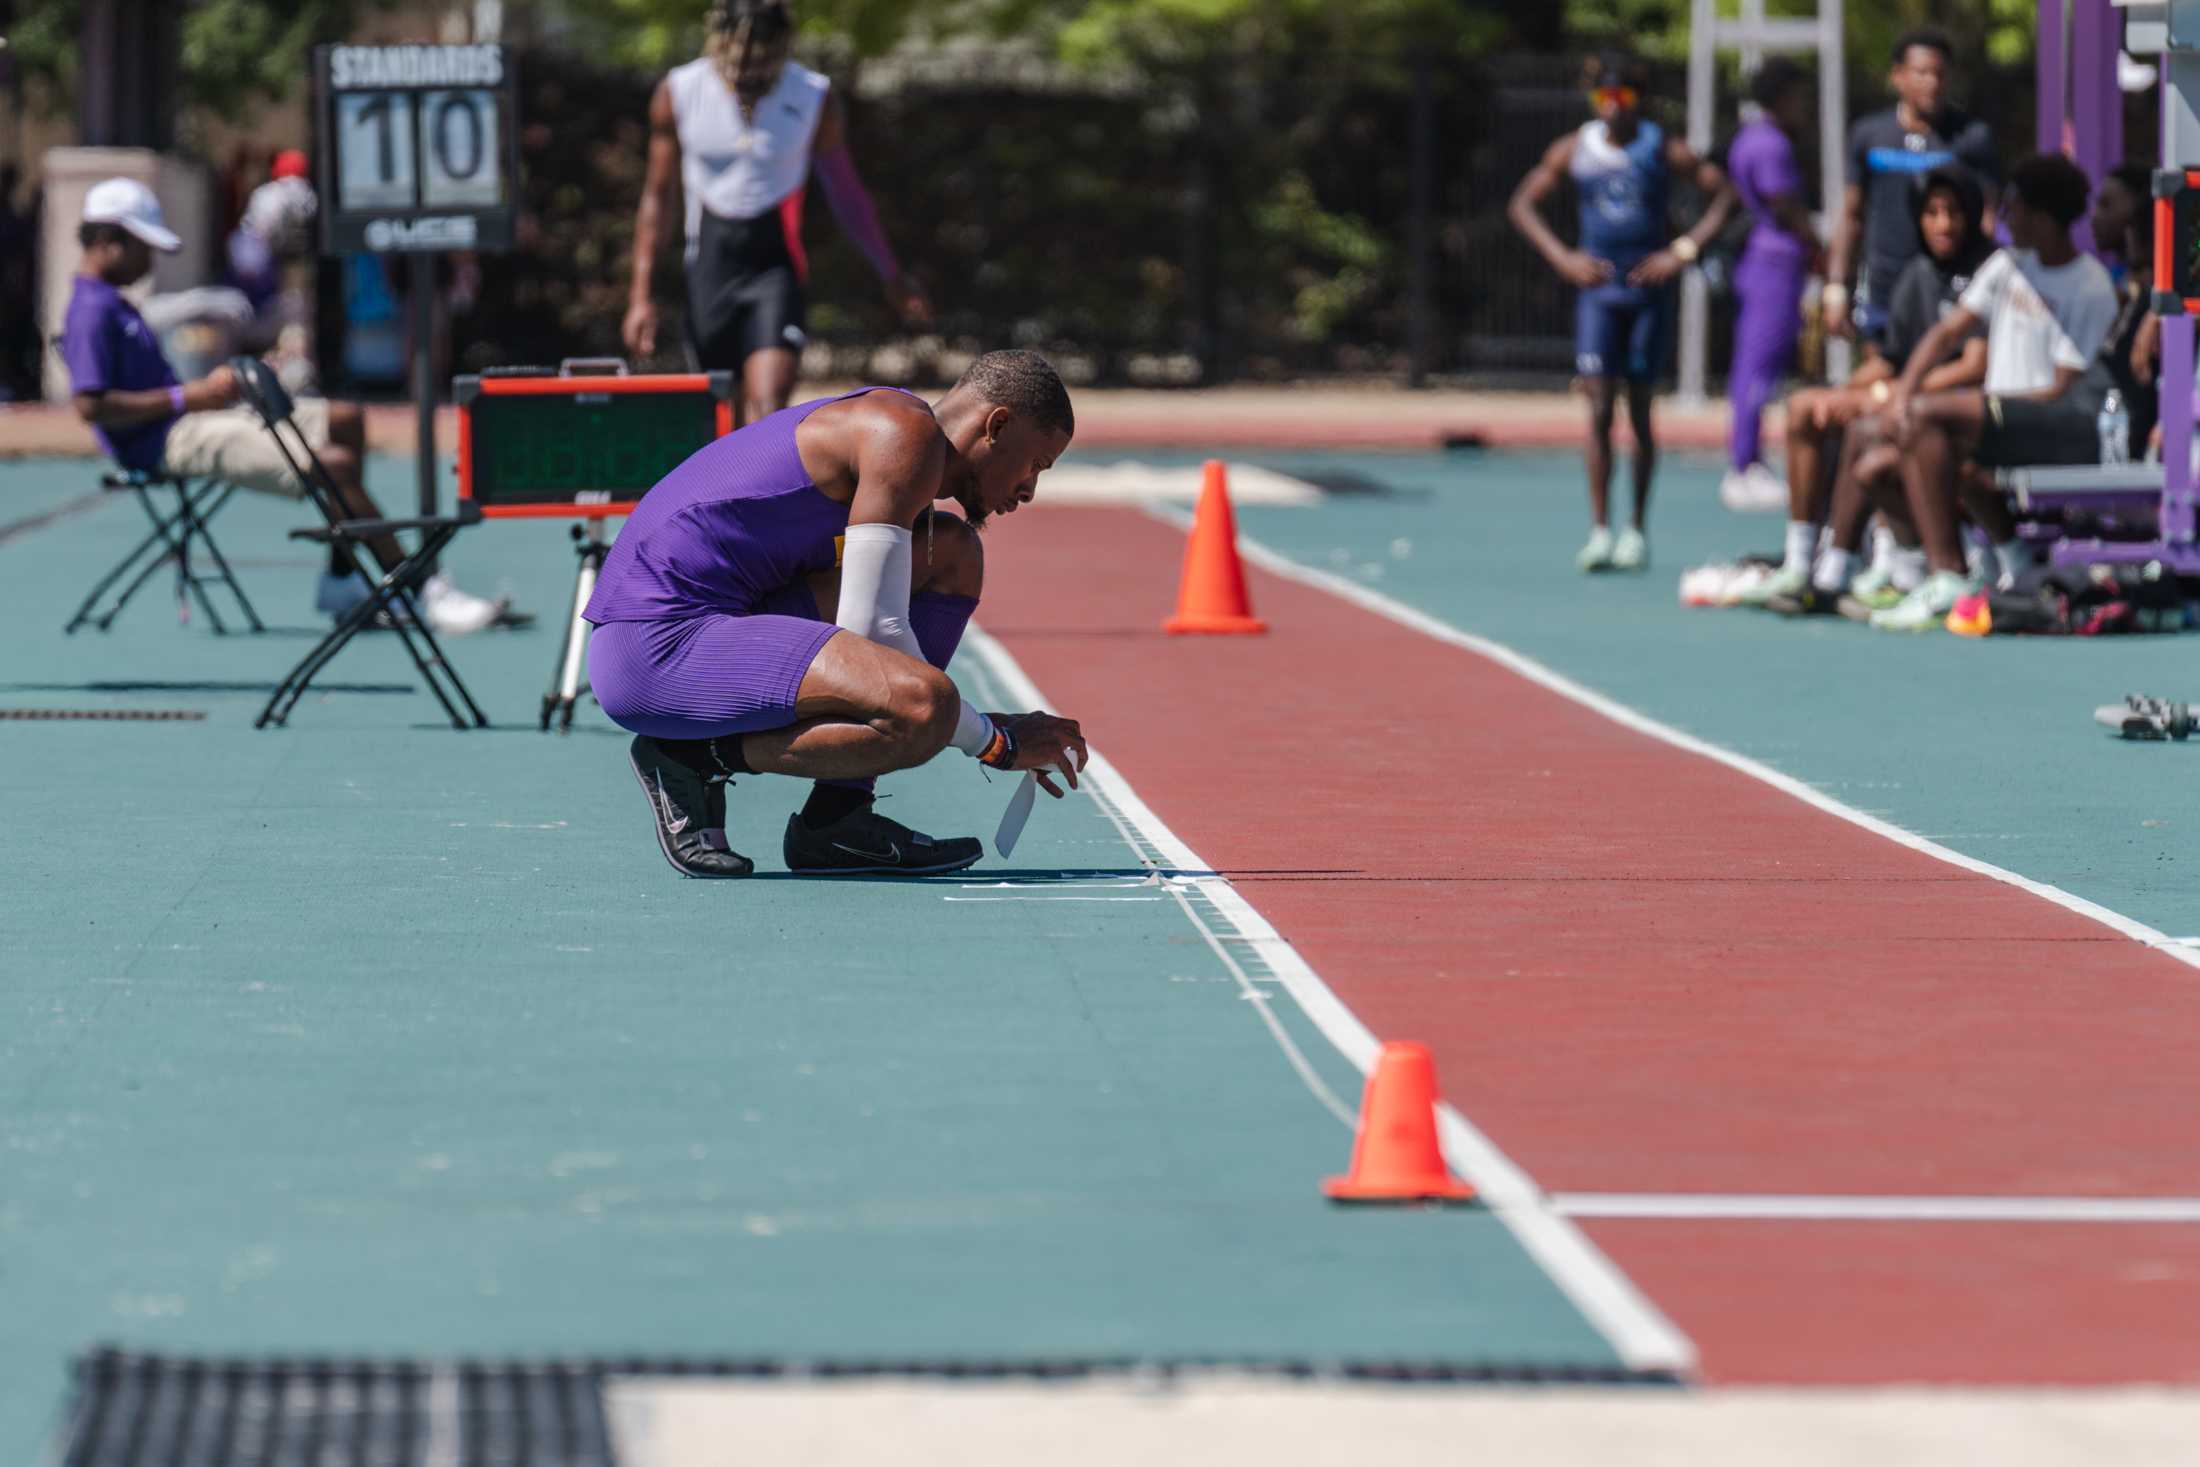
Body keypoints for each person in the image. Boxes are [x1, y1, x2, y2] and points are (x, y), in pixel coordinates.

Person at [584, 350, 1089, 878]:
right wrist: (995, 742)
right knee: (923, 709)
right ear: (997, 424)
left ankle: (837, 819)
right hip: (653, 648)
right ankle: (689, 759)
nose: (1030, 489)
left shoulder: (903, 435)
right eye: (1036, 464)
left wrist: (967, 722)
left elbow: (874, 638)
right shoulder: (905, 437)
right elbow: (874, 632)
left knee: (952, 554)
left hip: (724, 615)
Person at [60, 178, 520, 635]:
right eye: (143, 245)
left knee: (346, 419)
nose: (150, 258)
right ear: (106, 241)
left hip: (189, 418)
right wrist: (190, 396)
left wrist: (209, 393)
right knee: (335, 465)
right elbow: (90, 406)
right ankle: (416, 588)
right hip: (163, 441)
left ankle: (342, 581)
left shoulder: (113, 304)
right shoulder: (91, 312)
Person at [621, 0, 930, 425]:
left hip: (775, 271)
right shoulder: (679, 91)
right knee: (718, 418)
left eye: (761, 66)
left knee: (767, 410)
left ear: (783, 51)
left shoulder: (813, 96)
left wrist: (891, 273)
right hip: (709, 273)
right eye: (736, 67)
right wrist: (641, 296)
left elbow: (847, 195)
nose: (747, 77)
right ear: (716, 47)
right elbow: (658, 198)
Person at [1508, 51, 1737, 573]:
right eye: (1604, 98)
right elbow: (1522, 203)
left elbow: (1724, 195)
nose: (1613, 108)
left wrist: (1680, 252)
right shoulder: (1574, 149)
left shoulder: (1661, 148)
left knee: (1639, 408)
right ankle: (1598, 528)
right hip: (1597, 293)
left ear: (1639, 101)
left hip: (1646, 293)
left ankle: (1636, 527)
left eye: (1624, 98)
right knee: (1596, 407)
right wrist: (1562, 257)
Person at [1872, 153, 2119, 631]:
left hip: (2061, 423)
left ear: (2044, 219)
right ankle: (2002, 562)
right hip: (1999, 419)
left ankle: (1949, 575)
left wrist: (1971, 407)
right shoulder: (2007, 264)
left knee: (1927, 418)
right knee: (1875, 461)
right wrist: (1901, 394)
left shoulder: (2089, 286)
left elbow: (2060, 390)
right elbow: (1946, 334)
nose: (2004, 217)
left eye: (2015, 207)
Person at [1745, 165, 1993, 613]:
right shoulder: (1917, 274)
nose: (1943, 224)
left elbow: (1975, 365)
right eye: (1932, 213)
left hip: (1953, 413)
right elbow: (1891, 358)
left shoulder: (1987, 270)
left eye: (1953, 212)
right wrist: (1843, 392)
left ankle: (1837, 568)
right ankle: (1801, 561)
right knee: (1805, 407)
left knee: (1867, 427)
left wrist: (1887, 394)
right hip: (1909, 398)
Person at [1822, 28, 2000, 353]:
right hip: (1883, 288)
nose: (1931, 82)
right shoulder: (1869, 135)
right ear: (1898, 76)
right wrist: (1836, 286)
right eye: (1921, 73)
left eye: (1939, 73)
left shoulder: (1972, 138)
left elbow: (1987, 220)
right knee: (1880, 381)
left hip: (1947, 292)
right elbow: (1851, 214)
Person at [1720, 58, 1821, 513]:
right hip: (1774, 263)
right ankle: (1745, 466)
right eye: (1798, 96)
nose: (1804, 106)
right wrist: (1819, 248)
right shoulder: (1770, 144)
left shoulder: (1752, 138)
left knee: (1758, 366)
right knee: (1758, 368)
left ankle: (1747, 461)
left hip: (1767, 262)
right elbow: (1785, 207)